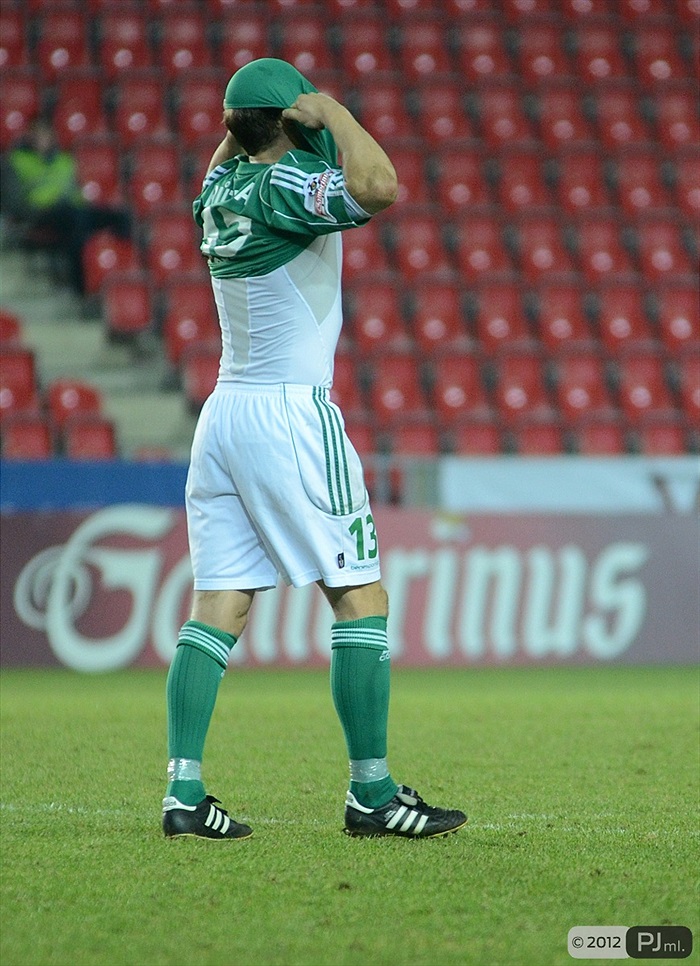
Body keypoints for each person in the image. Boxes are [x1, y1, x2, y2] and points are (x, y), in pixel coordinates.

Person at [162, 58, 467, 841]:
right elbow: (380, 187)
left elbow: (228, 153)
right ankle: (372, 795)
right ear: (289, 118)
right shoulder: (278, 186)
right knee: (359, 593)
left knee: (220, 603)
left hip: (223, 416)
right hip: (289, 415)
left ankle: (184, 794)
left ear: (230, 127)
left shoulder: (217, 194)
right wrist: (331, 111)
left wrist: (251, 124)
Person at [0, 117, 131, 296]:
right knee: (77, 226)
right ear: (29, 137)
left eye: (45, 134)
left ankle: (127, 273)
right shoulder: (16, 161)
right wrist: (35, 211)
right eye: (36, 134)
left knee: (120, 216)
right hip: (41, 214)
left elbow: (77, 191)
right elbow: (14, 203)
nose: (41, 138)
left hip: (74, 210)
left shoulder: (65, 160)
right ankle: (82, 288)